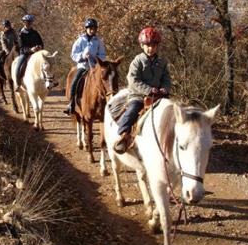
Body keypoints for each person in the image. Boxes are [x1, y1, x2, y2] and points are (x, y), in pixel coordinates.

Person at [112, 26, 171, 154]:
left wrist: (165, 88)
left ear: (157, 46)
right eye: (147, 45)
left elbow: (167, 78)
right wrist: (148, 90)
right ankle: (124, 135)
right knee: (132, 110)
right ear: (142, 46)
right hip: (138, 95)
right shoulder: (137, 61)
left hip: (159, 96)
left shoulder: (162, 62)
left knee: (173, 112)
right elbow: (133, 80)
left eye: (153, 45)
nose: (151, 48)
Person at [63, 18, 106, 115]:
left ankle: (106, 104)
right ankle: (71, 104)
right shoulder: (80, 40)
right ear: (86, 29)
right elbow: (73, 54)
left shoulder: (99, 41)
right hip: (83, 66)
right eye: (90, 28)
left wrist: (97, 58)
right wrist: (82, 56)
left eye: (94, 28)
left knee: (106, 80)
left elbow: (103, 54)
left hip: (95, 67)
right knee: (75, 82)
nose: (92, 30)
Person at [14, 14, 44, 91]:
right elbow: (21, 47)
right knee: (18, 66)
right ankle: (18, 83)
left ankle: (48, 81)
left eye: (30, 22)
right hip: (25, 54)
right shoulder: (21, 34)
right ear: (24, 23)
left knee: (46, 63)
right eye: (27, 22)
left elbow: (41, 43)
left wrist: (39, 47)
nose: (29, 23)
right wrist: (30, 49)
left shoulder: (35, 33)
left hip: (36, 53)